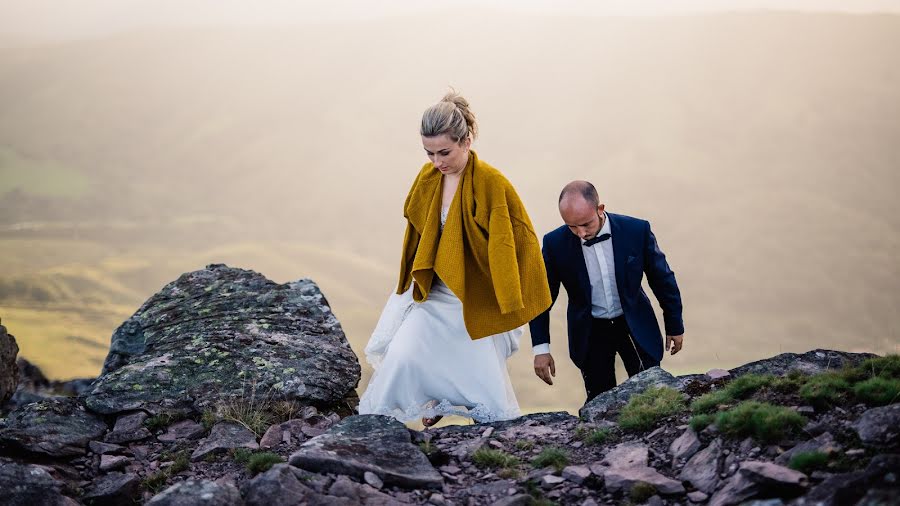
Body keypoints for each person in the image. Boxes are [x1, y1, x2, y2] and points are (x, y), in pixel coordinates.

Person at [358, 91, 552, 426]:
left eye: (444, 152)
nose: (437, 161)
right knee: (403, 357)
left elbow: (517, 243)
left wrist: (510, 296)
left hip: (475, 299)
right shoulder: (428, 178)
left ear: (467, 140)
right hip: (433, 295)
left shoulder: (492, 183)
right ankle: (375, 432)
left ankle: (495, 452)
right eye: (429, 152)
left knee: (483, 385)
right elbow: (416, 234)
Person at [529, 181, 684, 403]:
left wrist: (674, 324)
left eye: (585, 224)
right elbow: (542, 298)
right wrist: (541, 349)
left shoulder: (636, 230)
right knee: (599, 400)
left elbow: (662, 279)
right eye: (572, 227)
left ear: (600, 209)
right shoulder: (554, 243)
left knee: (653, 395)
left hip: (635, 325)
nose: (581, 233)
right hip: (591, 332)